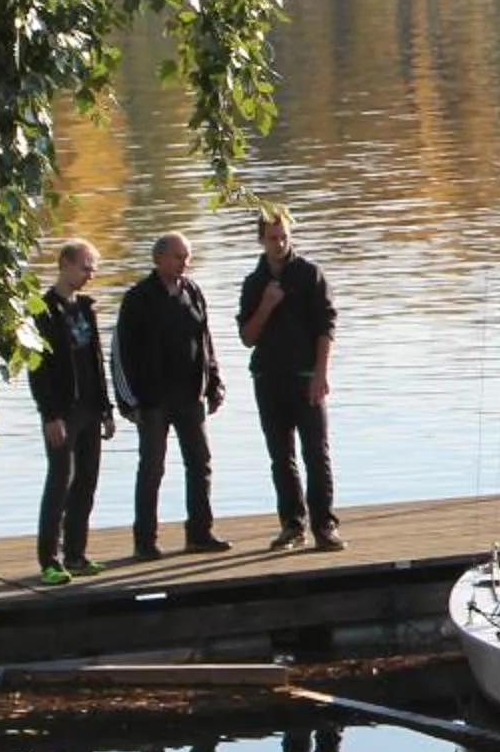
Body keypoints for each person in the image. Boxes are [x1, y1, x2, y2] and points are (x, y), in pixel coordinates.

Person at [113, 230, 230, 558]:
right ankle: (145, 541)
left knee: (201, 462)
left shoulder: (192, 291)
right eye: (178, 257)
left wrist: (214, 381)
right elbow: (119, 353)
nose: (184, 263)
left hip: (190, 396)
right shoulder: (137, 298)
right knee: (152, 467)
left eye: (187, 257)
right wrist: (127, 401)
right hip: (152, 400)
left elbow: (205, 340)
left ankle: (200, 533)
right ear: (159, 259)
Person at [236, 204, 341, 552]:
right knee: (281, 456)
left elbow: (326, 327)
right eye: (272, 239)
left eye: (284, 237)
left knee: (317, 453)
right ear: (261, 240)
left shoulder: (310, 274)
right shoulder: (254, 283)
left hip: (305, 376)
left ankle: (324, 525)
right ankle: (292, 525)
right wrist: (266, 304)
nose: (279, 244)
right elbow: (248, 337)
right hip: (268, 378)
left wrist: (321, 373)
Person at [27, 240, 113, 585]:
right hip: (62, 412)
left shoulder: (86, 308)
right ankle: (49, 559)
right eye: (85, 267)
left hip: (91, 408)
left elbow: (96, 362)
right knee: (60, 482)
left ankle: (76, 554)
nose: (90, 275)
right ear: (64, 265)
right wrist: (49, 415)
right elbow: (37, 369)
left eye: (92, 268)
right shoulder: (43, 311)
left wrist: (106, 409)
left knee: (86, 483)